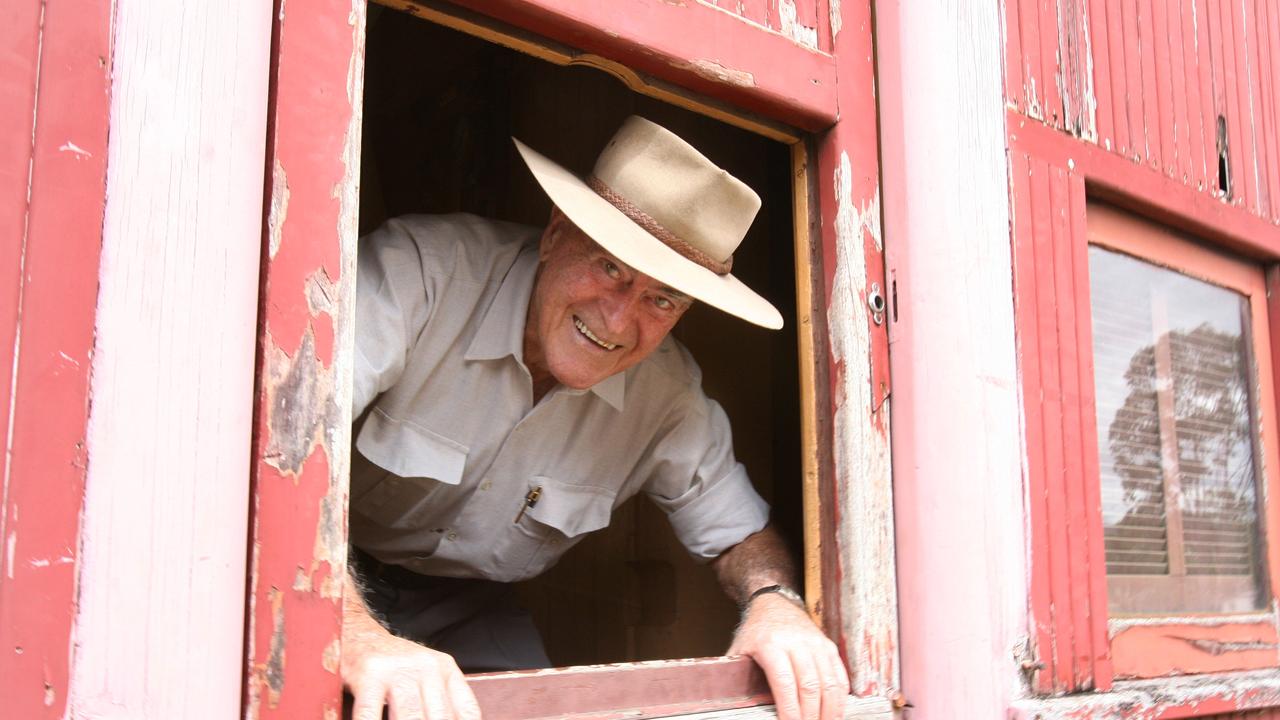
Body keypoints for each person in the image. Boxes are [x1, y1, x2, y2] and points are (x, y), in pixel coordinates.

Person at [343, 116, 849, 720]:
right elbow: (280, 443)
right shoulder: (418, 274)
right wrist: (352, 631)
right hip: (332, 564)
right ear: (556, 232)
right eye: (610, 268)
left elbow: (739, 533)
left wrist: (776, 602)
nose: (616, 321)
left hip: (474, 603)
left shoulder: (668, 393)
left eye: (661, 299)